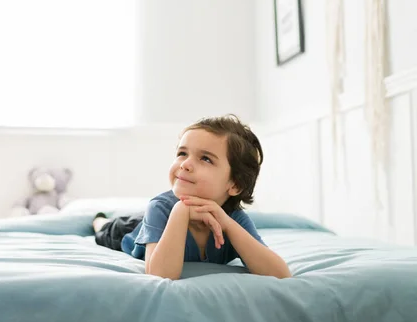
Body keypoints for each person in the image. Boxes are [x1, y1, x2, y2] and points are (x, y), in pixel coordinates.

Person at [93, 114, 291, 280]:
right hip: (130, 231)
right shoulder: (160, 208)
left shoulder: (234, 219)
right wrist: (180, 211)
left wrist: (227, 225)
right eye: (182, 153)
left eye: (205, 158)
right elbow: (159, 275)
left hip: (166, 219)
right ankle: (100, 220)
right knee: (107, 229)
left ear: (235, 184)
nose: (185, 164)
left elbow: (281, 274)